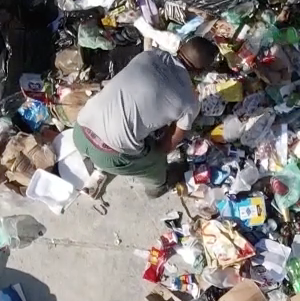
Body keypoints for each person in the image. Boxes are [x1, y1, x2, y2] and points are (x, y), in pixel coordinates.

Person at [71, 38, 218, 194]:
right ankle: (156, 188)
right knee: (157, 161)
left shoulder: (150, 55)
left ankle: (98, 165)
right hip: (109, 156)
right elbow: (166, 147)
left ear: (180, 47)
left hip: (79, 130)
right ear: (200, 72)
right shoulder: (190, 101)